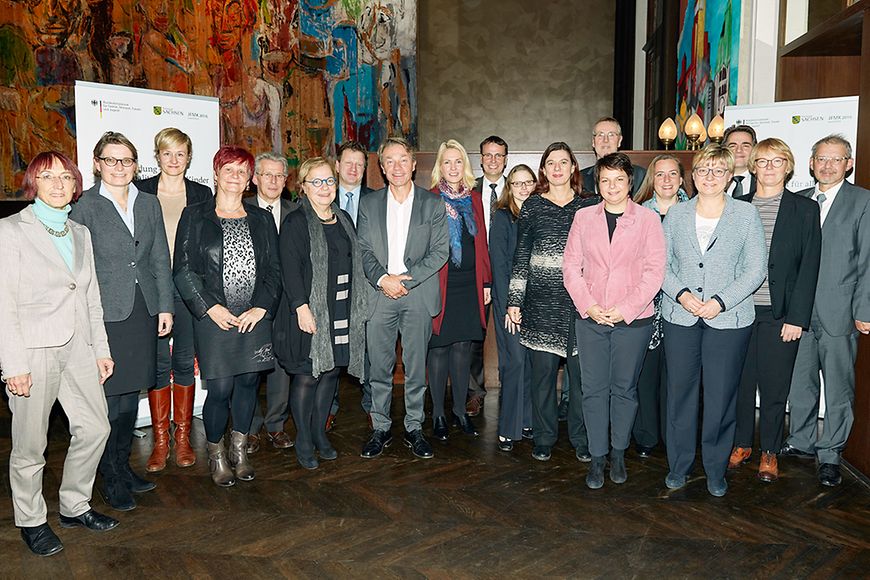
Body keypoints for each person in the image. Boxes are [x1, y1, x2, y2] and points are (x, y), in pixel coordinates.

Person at [0, 152, 119, 557]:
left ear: (75, 184)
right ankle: (32, 520)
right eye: (47, 176)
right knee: (31, 445)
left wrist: (100, 349)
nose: (57, 184)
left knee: (96, 427)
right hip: (34, 351)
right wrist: (13, 364)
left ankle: (73, 504)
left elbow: (91, 298)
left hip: (80, 348)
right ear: (34, 182)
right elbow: (5, 303)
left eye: (65, 177)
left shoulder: (80, 233)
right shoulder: (12, 231)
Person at [71, 132, 174, 511]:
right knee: (109, 402)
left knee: (130, 398)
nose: (119, 167)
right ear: (97, 163)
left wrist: (165, 306)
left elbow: (159, 258)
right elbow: (78, 268)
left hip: (142, 311)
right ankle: (108, 476)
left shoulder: (148, 204)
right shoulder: (84, 207)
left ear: (136, 165)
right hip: (105, 314)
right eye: (111, 160)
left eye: (127, 160)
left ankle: (123, 466)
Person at [660, 144, 766, 497]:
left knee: (721, 398)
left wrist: (720, 302)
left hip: (730, 319)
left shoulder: (746, 215)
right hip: (681, 316)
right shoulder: (675, 215)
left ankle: (716, 469)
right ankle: (679, 464)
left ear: (729, 176)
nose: (709, 177)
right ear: (693, 174)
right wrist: (684, 296)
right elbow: (662, 266)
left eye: (718, 171)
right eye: (704, 170)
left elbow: (755, 270)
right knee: (680, 395)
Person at [173, 146, 282, 487]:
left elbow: (274, 271)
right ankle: (217, 453)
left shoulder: (262, 219)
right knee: (219, 388)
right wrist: (209, 307)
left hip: (254, 318)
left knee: (249, 383)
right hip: (214, 318)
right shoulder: (194, 215)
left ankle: (240, 449)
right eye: (229, 170)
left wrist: (262, 307)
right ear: (216, 173)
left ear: (250, 179)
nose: (236, 177)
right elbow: (184, 269)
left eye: (243, 172)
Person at [564, 153, 666, 489]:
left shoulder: (648, 220)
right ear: (597, 183)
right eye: (605, 180)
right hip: (591, 318)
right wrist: (589, 306)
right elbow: (570, 268)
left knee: (624, 389)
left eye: (619, 180)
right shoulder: (583, 218)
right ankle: (597, 457)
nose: (612, 187)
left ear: (630, 182)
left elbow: (654, 273)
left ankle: (619, 453)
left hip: (633, 320)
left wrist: (626, 308)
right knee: (593, 390)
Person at [728, 138, 821, 483]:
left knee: (774, 386)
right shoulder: (736, 206)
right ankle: (741, 444)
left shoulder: (804, 210)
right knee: (739, 383)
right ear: (752, 166)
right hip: (737, 312)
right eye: (762, 161)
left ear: (788, 166)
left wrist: (797, 318)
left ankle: (769, 450)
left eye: (776, 161)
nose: (769, 167)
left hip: (780, 314)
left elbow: (809, 266)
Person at [783, 134, 870, 487]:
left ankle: (830, 453)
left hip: (841, 311)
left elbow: (867, 260)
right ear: (811, 163)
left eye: (836, 159)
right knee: (799, 383)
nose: (828, 165)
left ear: (848, 164)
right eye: (822, 158)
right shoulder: (800, 201)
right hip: (799, 314)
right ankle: (801, 440)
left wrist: (864, 308)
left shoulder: (862, 201)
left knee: (838, 388)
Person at [357, 137, 449, 460]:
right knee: (379, 368)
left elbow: (441, 251)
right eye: (390, 161)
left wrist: (404, 281)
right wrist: (384, 279)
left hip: (416, 294)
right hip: (379, 295)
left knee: (415, 368)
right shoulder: (368, 205)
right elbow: (364, 250)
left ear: (413, 164)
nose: (397, 167)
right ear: (381, 168)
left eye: (402, 160)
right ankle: (380, 427)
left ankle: (414, 427)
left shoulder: (433, 204)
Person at [273, 157, 367, 469]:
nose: (324, 187)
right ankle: (303, 439)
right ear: (302, 187)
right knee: (306, 377)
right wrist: (301, 307)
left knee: (330, 374)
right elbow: (290, 270)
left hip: (340, 309)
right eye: (317, 182)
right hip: (309, 311)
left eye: (329, 181)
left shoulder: (342, 219)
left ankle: (319, 433)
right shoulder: (296, 222)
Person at [507, 142, 597, 462]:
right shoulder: (532, 206)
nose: (557, 168)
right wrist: (514, 300)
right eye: (551, 163)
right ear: (544, 170)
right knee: (542, 379)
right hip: (540, 305)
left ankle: (580, 438)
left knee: (583, 379)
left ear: (574, 168)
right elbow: (521, 256)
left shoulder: (591, 205)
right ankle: (544, 437)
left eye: (564, 162)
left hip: (581, 305)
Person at [135, 127, 212, 472]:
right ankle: (160, 440)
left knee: (183, 362)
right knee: (156, 366)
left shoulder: (201, 193)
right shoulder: (140, 191)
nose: (174, 160)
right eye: (167, 153)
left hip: (186, 289)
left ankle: (182, 439)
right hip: (152, 289)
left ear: (189, 157)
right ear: (157, 156)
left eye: (180, 153)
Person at [427, 140, 492, 441]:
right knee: (439, 349)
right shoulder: (428, 199)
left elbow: (482, 245)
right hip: (440, 285)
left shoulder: (474, 199)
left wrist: (487, 282)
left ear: (464, 166)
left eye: (457, 162)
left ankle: (460, 412)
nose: (452, 168)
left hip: (469, 285)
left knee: (464, 348)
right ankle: (439, 413)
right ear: (439, 167)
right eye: (447, 162)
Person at [630, 154, 691, 457]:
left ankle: (674, 436)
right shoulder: (638, 214)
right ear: (651, 180)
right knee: (647, 374)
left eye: (672, 174)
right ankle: (647, 434)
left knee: (678, 376)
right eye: (659, 175)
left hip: (686, 306)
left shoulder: (696, 211)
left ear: (682, 179)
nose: (666, 180)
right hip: (646, 305)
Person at [245, 152, 298, 454]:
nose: (274, 181)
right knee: (250, 367)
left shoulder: (296, 212)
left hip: (286, 305)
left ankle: (275, 425)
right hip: (249, 304)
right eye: (267, 174)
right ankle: (250, 427)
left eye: (279, 175)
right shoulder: (241, 209)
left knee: (281, 366)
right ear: (255, 178)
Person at [326, 140, 375, 430]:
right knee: (330, 350)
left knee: (369, 350)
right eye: (348, 163)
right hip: (330, 289)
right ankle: (328, 407)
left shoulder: (376, 200)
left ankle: (371, 406)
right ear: (337, 166)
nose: (354, 169)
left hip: (367, 289)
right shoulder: (321, 199)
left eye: (359, 164)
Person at [490, 165, 536, 451]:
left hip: (537, 301)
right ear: (509, 186)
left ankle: (527, 420)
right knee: (514, 361)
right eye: (517, 183)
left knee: (531, 361)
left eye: (528, 182)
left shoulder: (539, 214)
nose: (523, 188)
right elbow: (499, 265)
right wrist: (511, 304)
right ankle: (508, 427)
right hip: (510, 302)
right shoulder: (503, 217)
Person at [467, 135, 509, 416]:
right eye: (488, 155)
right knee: (474, 337)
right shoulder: (468, 191)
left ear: (506, 159)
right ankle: (474, 392)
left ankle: (512, 388)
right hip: (477, 274)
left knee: (511, 335)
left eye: (499, 155)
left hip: (508, 273)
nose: (493, 160)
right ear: (480, 159)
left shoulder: (518, 190)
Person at [580, 117, 646, 195]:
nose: (605, 140)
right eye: (600, 135)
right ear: (593, 142)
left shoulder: (640, 175)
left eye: (611, 135)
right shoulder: (580, 178)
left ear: (619, 141)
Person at [723, 124, 758, 197]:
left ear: (755, 149)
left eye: (745, 146)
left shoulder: (764, 182)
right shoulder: (712, 181)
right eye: (733, 146)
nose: (739, 150)